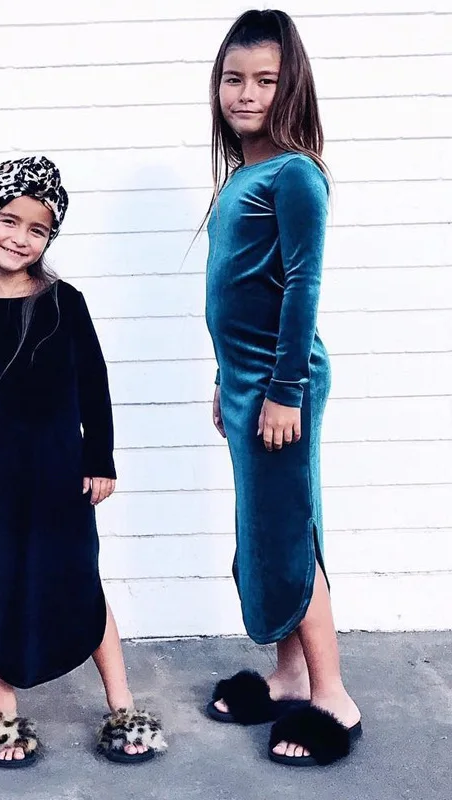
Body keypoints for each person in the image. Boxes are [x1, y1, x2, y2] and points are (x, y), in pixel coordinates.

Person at [0, 156, 166, 767]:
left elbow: (95, 384)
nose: (20, 237)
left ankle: (122, 705)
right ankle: (3, 713)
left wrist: (101, 459)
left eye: (36, 229)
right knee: (3, 582)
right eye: (9, 221)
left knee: (81, 580)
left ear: (49, 239)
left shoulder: (66, 302)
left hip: (63, 472)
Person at [203, 10, 362, 767]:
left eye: (265, 80)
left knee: (289, 533)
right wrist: (223, 378)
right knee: (265, 530)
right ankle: (291, 673)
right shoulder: (243, 176)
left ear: (291, 86)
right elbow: (239, 293)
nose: (246, 93)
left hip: (281, 382)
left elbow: (302, 285)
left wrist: (284, 388)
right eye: (234, 79)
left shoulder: (296, 174)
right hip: (247, 381)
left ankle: (332, 695)